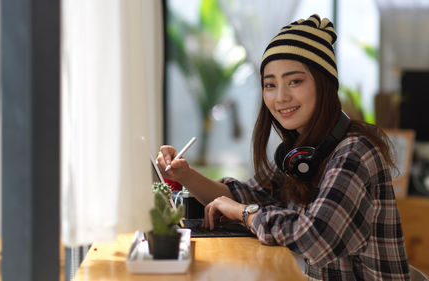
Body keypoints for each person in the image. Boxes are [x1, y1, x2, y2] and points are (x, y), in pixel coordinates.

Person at [157, 14, 409, 280]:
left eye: (295, 81)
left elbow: (315, 237)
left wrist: (246, 215)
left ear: (325, 86)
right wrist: (184, 174)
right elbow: (243, 196)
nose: (280, 97)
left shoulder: (355, 151)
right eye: (270, 85)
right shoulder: (301, 154)